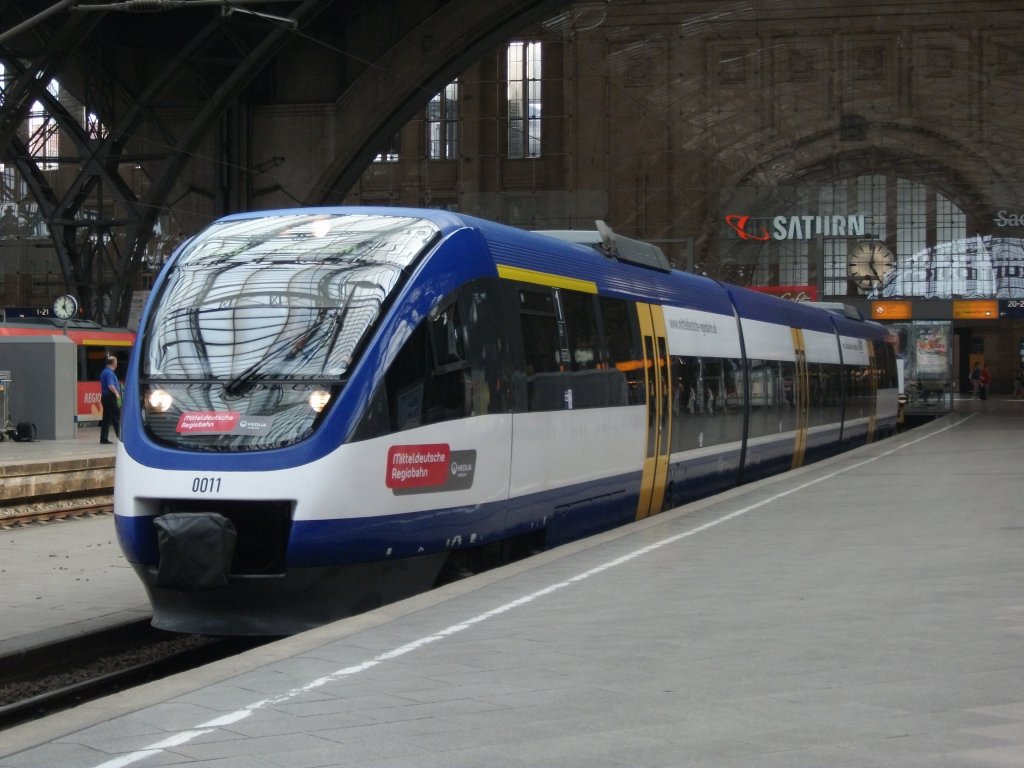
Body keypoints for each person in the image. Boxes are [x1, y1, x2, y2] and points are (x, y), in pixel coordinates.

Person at [99, 355, 121, 444]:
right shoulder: (109, 373)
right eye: (116, 362)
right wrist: (116, 394)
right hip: (110, 398)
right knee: (116, 417)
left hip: (105, 398)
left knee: (106, 419)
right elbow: (110, 385)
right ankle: (121, 438)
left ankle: (103, 439)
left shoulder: (104, 372)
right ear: (114, 363)